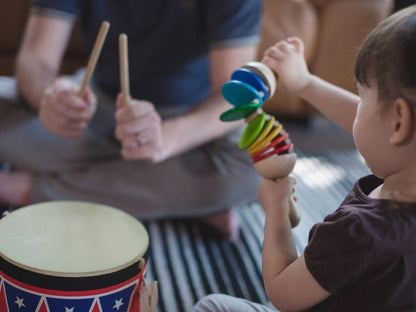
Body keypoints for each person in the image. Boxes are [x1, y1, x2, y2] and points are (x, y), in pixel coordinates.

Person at [193, 5, 416, 311]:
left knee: (212, 306)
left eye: (363, 99)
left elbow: (284, 292)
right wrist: (305, 84)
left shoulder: (357, 232)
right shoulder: (404, 162)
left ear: (399, 122)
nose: (356, 111)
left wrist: (275, 210)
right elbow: (377, 129)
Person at [0, 0, 263, 239]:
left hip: (188, 125)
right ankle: (175, 194)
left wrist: (165, 138)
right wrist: (48, 97)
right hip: (95, 109)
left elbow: (237, 97)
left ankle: (22, 189)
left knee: (258, 164)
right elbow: (35, 58)